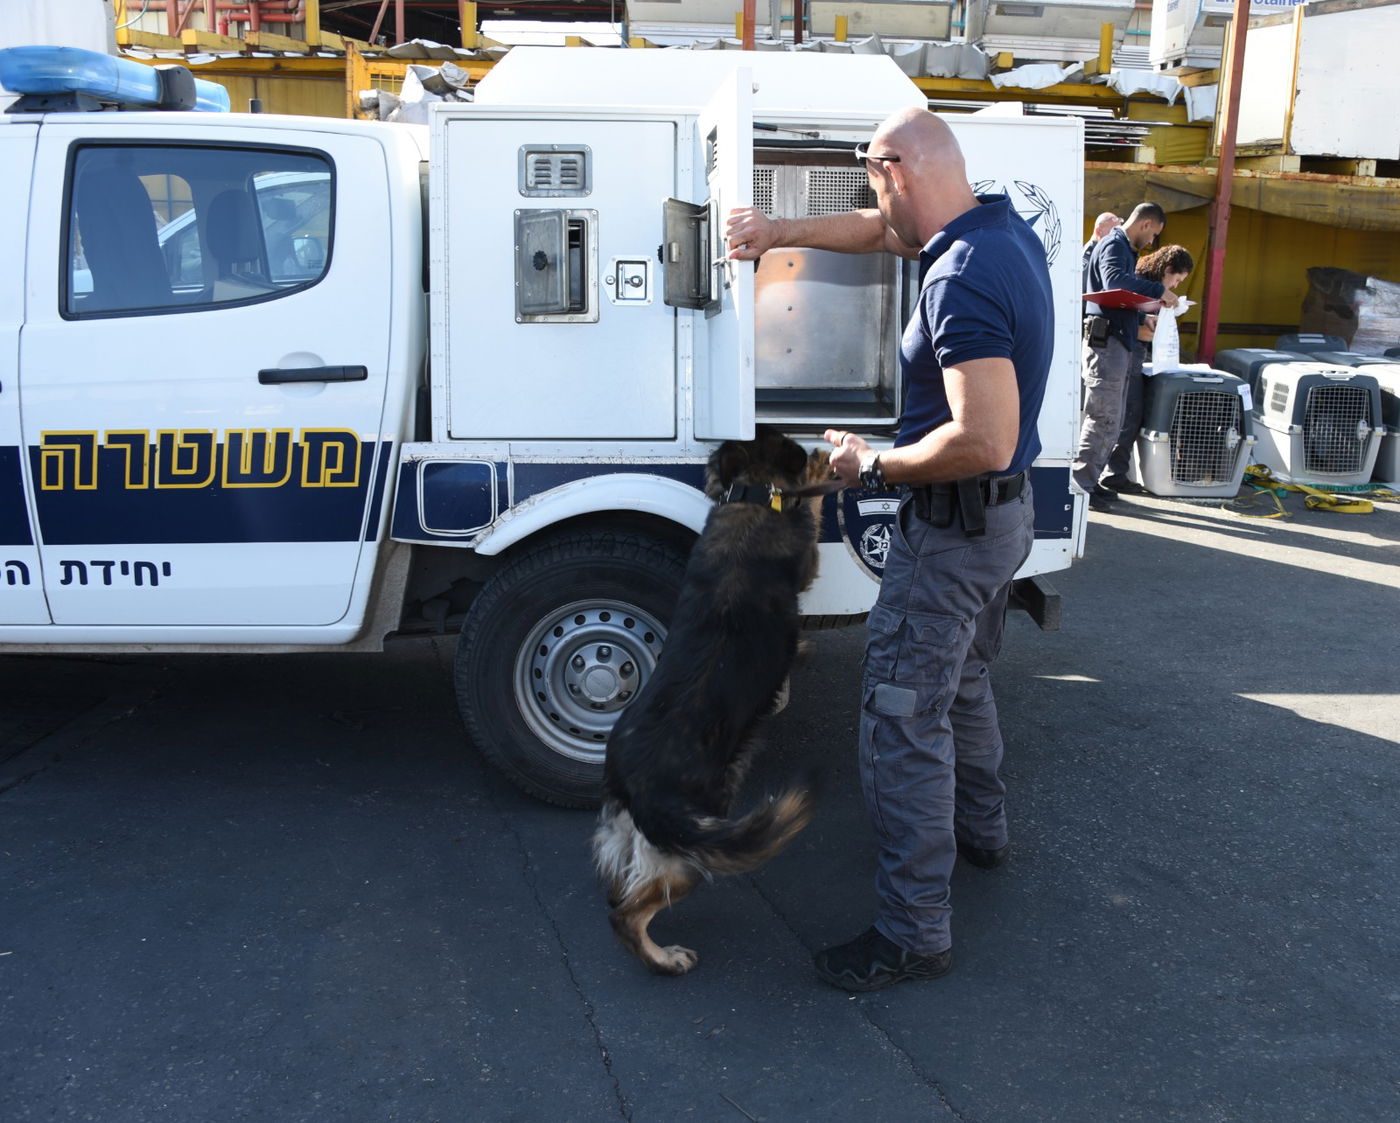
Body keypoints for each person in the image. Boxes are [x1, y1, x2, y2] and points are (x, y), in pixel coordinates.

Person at [725, 107, 1053, 993]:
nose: (877, 206)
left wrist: (871, 464)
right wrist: (775, 232)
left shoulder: (958, 281)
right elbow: (883, 232)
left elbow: (983, 436)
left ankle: (913, 931)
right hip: (999, 523)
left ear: (895, 168)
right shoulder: (998, 232)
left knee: (903, 713)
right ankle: (982, 833)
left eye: (875, 180)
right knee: (966, 681)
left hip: (952, 527)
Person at [1076, 202, 1179, 512]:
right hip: (1106, 344)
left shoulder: (1118, 245)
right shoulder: (1114, 244)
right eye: (1154, 235)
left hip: (1113, 340)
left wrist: (1140, 317)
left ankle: (1088, 481)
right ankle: (1080, 485)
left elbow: (1114, 295)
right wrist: (1158, 291)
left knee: (1110, 419)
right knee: (1104, 417)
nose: (1151, 243)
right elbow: (1114, 282)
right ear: (1146, 224)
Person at [1100, 245, 1195, 495]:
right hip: (1128, 354)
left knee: (1127, 414)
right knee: (1127, 414)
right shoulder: (1141, 284)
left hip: (1133, 355)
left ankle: (1114, 471)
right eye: (1175, 279)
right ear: (1167, 270)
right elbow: (1137, 326)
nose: (1174, 286)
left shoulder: (1141, 280)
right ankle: (1113, 473)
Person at [1082, 211, 1121, 288]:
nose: (1117, 237)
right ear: (1099, 231)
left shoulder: (1105, 251)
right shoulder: (1089, 254)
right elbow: (1083, 288)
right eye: (1113, 233)